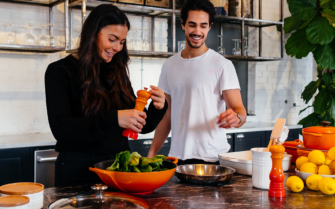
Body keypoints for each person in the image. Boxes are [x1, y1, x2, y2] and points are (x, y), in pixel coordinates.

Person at [45, 4, 168, 187]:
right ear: (93, 33)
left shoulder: (117, 71)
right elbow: (62, 130)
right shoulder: (59, 71)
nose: (118, 47)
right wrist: (114, 118)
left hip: (119, 170)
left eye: (122, 41)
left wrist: (158, 107)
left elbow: (140, 127)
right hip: (78, 173)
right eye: (113, 39)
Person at [147, 0, 246, 165]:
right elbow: (167, 116)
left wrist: (237, 118)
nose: (197, 31)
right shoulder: (169, 65)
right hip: (178, 158)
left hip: (212, 158)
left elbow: (239, 110)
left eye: (203, 25)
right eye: (192, 25)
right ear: (183, 25)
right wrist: (150, 155)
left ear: (209, 27)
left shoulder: (222, 65)